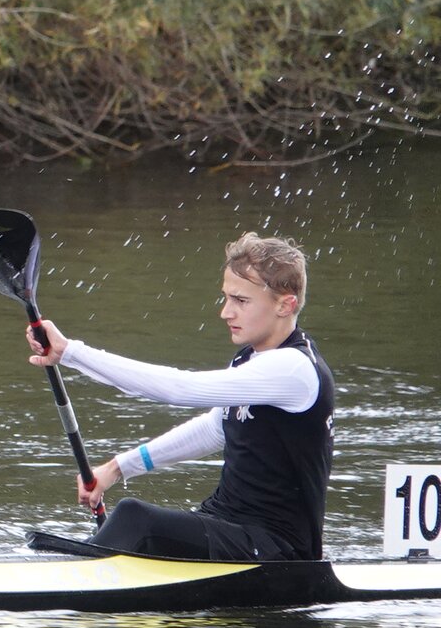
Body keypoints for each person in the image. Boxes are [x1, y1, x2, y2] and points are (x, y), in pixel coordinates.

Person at [24, 231, 333, 562]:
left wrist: (71, 352)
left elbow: (179, 389)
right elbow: (214, 429)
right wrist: (117, 468)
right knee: (137, 526)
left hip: (277, 549)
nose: (226, 313)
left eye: (240, 301)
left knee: (135, 518)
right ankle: (84, 564)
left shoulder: (292, 369)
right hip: (227, 525)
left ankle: (73, 580)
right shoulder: (249, 359)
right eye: (226, 298)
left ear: (285, 304)